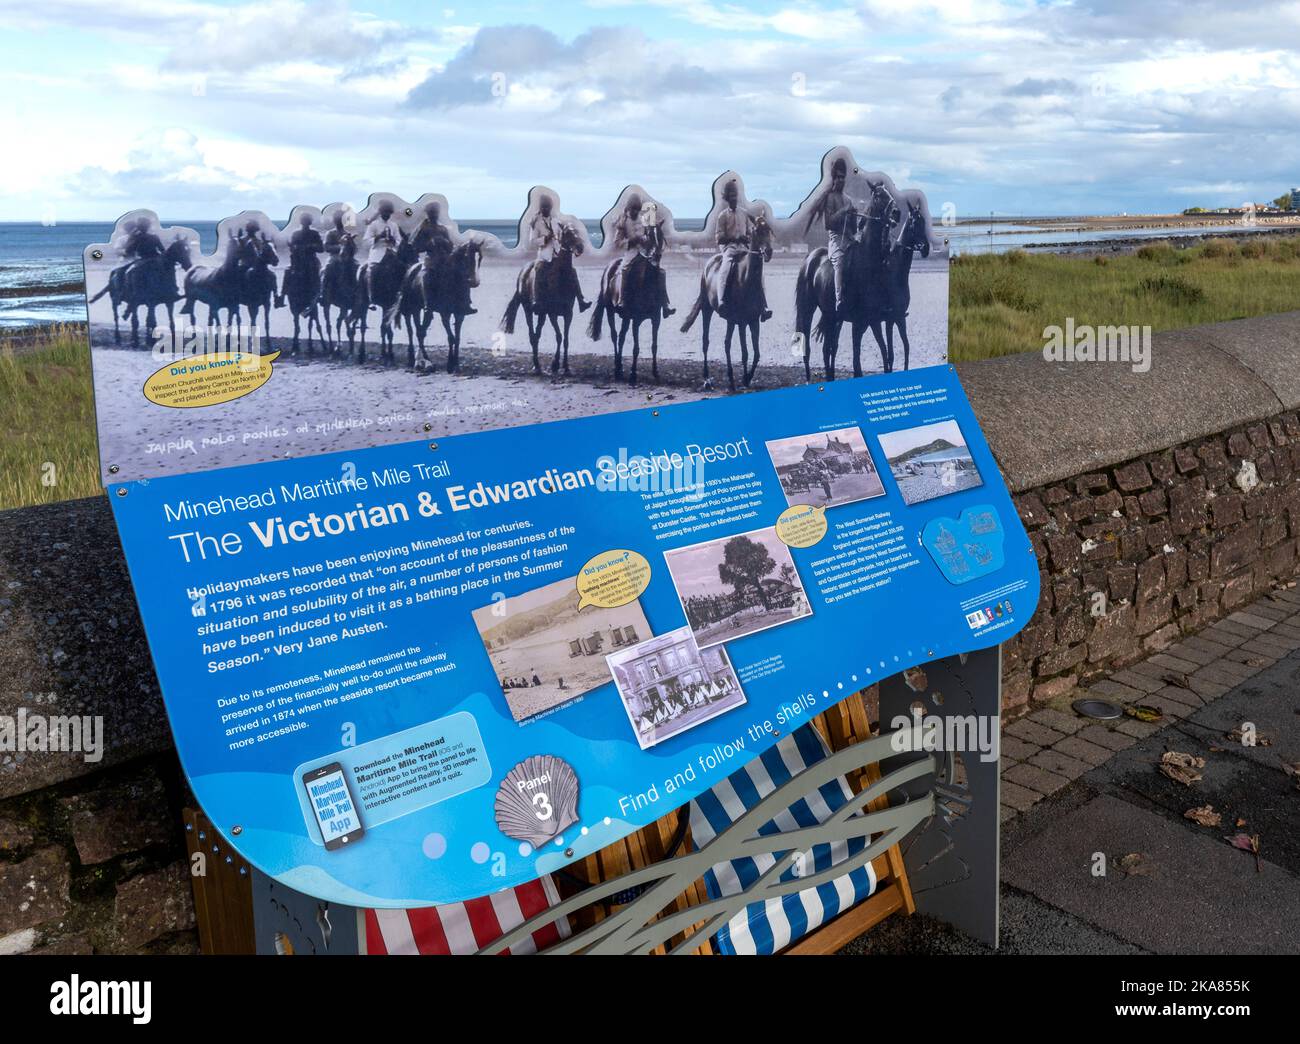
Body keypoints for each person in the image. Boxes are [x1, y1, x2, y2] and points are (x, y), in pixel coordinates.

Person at [803, 157, 857, 312]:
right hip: (836, 242)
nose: (840, 180)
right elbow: (829, 224)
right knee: (839, 263)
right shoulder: (829, 198)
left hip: (849, 240)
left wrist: (854, 215)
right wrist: (843, 211)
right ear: (833, 178)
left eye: (842, 177)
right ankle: (839, 300)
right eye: (838, 177)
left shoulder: (848, 199)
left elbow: (853, 229)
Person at [715, 179, 771, 320]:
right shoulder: (722, 216)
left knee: (759, 272)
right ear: (727, 198)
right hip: (729, 249)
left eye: (735, 196)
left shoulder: (744, 213)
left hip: (744, 249)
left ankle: (763, 305)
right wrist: (734, 239)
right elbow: (719, 238)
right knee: (725, 268)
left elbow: (749, 233)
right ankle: (721, 300)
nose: (734, 199)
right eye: (731, 196)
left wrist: (746, 238)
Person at [612, 193, 673, 318]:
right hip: (631, 252)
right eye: (633, 210)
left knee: (660, 272)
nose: (635, 212)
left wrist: (648, 240)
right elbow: (617, 242)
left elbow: (650, 235)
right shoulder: (623, 221)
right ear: (629, 208)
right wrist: (633, 240)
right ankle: (621, 300)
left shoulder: (643, 219)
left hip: (645, 253)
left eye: (637, 210)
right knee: (625, 269)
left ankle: (665, 305)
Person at [528, 194, 591, 311]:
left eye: (547, 207)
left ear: (551, 208)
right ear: (540, 209)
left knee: (572, 271)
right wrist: (545, 239)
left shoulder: (556, 222)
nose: (546, 209)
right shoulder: (535, 223)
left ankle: (581, 300)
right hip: (544, 256)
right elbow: (532, 242)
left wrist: (574, 246)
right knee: (539, 270)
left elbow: (563, 238)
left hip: (558, 255)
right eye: (543, 207)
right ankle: (536, 300)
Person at [363, 200, 402, 264]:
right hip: (377, 254)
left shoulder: (394, 225)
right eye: (385, 212)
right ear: (381, 212)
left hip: (392, 254)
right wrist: (379, 237)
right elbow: (366, 242)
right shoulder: (373, 224)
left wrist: (393, 240)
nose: (387, 214)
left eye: (389, 213)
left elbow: (399, 242)